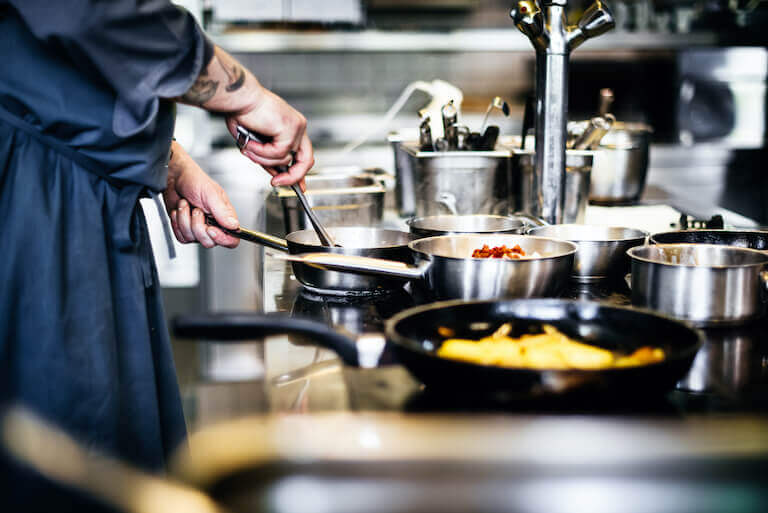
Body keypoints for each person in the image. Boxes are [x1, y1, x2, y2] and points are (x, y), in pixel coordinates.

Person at [0, 0, 313, 490]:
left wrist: (164, 158)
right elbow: (89, 10)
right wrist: (244, 95)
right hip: (35, 199)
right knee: (68, 460)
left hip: (76, 188)